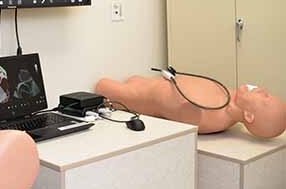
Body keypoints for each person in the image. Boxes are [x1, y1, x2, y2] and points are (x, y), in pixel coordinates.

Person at [96, 75, 286, 138]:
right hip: (150, 85)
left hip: (140, 97)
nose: (262, 90)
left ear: (249, 116)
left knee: (103, 85)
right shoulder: (229, 101)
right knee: (134, 80)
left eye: (265, 97)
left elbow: (181, 108)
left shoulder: (211, 115)